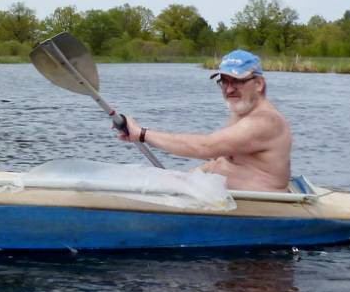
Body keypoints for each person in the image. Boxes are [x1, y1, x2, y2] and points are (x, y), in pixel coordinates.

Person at [116, 49, 292, 192]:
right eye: (224, 82)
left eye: (237, 82)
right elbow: (218, 155)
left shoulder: (265, 121)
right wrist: (183, 179)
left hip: (263, 208)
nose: (229, 90)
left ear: (259, 84)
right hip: (234, 200)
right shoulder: (242, 112)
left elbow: (206, 147)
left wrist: (142, 134)